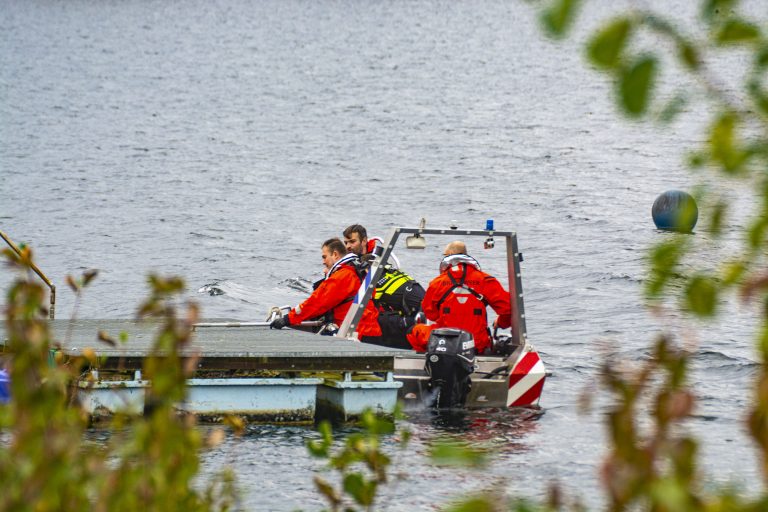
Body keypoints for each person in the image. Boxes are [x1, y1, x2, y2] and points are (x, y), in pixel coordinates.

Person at [409, 241, 512, 354]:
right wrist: (501, 323)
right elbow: (508, 310)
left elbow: (431, 315)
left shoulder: (437, 283)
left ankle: (432, 361)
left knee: (415, 331)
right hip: (477, 345)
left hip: (445, 343)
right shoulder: (486, 280)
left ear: (449, 256)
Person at [270, 238, 382, 340]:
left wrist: (287, 319)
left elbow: (317, 302)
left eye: (324, 257)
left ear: (335, 254)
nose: (323, 262)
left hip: (357, 333)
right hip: (369, 330)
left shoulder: (343, 275)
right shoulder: (357, 270)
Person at [343, 224, 425, 348]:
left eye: (352, 242)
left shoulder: (369, 265)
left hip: (414, 307)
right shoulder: (372, 260)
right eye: (346, 243)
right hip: (410, 304)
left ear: (364, 241)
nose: (348, 246)